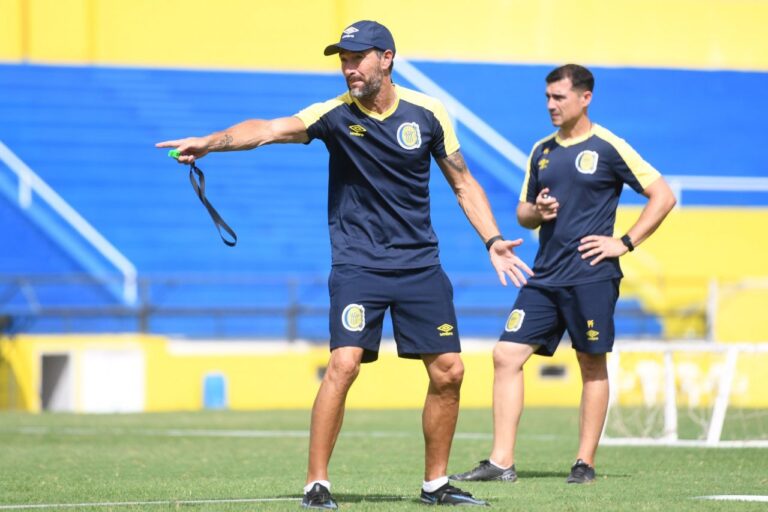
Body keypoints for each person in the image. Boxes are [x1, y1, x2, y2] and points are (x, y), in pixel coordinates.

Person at [157, 20, 533, 509]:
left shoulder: (428, 113)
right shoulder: (333, 114)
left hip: (419, 264)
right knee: (344, 363)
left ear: (387, 58)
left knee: (450, 371)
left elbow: (462, 182)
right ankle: (318, 483)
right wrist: (211, 142)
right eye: (343, 59)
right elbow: (268, 130)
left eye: (358, 57)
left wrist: (493, 239)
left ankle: (435, 485)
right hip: (359, 263)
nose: (349, 67)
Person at [449, 64, 677, 485]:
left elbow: (663, 195)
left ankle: (584, 462)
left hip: (591, 276)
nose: (551, 105)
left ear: (585, 98)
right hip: (545, 275)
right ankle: (501, 462)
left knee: (591, 363)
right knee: (506, 355)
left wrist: (623, 243)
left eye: (560, 97)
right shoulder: (542, 150)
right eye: (548, 98)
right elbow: (522, 212)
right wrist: (537, 211)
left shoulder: (609, 146)